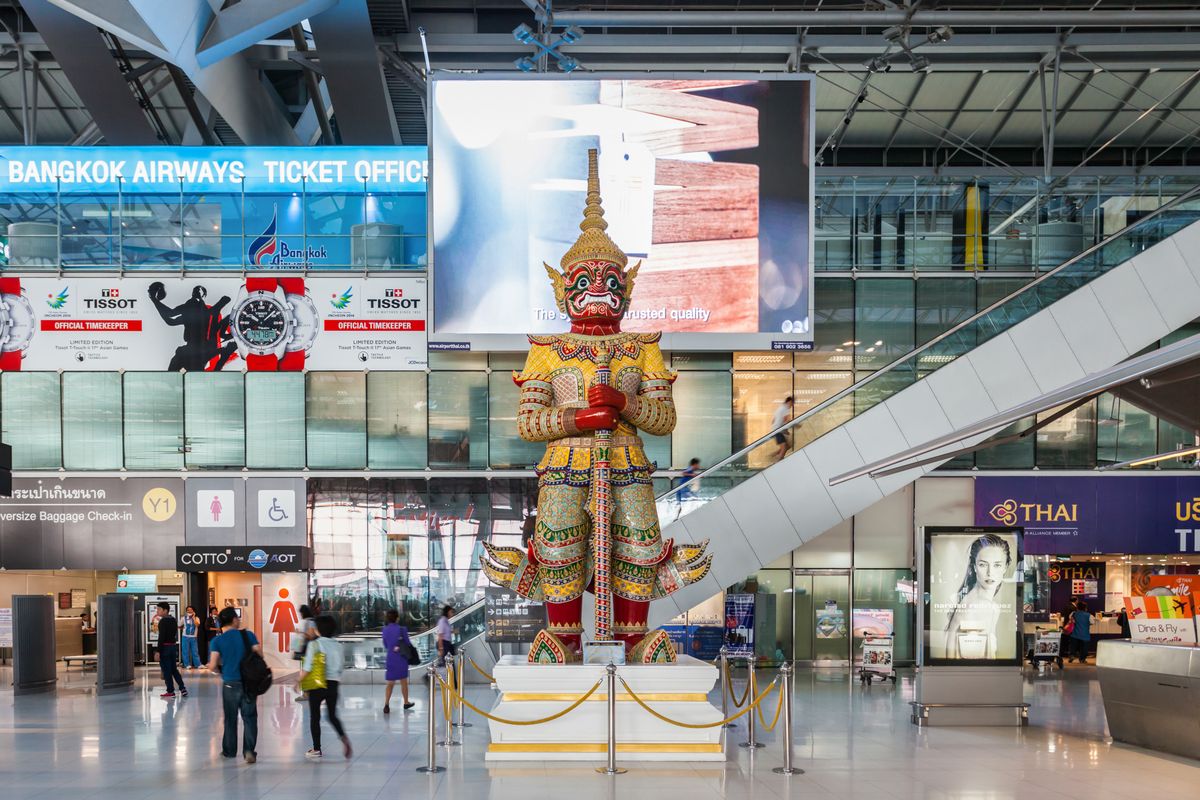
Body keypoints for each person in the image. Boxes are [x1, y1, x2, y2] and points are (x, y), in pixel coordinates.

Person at [944, 534, 1012, 660]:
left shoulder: (975, 601)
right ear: (974, 567)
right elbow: (985, 660)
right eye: (983, 564)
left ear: (1005, 567)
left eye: (997, 565)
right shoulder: (983, 606)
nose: (990, 572)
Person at [207, 607, 261, 764]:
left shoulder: (217, 641)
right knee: (250, 718)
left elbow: (212, 665)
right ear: (234, 620)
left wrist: (220, 671)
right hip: (249, 683)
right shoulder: (248, 635)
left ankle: (229, 751)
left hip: (230, 683)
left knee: (230, 719)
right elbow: (260, 654)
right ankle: (249, 751)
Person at [300, 615, 351, 760]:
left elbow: (308, 666)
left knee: (315, 716)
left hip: (317, 684)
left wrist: (298, 680)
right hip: (333, 684)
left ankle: (316, 749)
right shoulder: (338, 645)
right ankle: (343, 738)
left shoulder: (314, 645)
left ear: (318, 630)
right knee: (332, 715)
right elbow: (341, 666)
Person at [381, 610, 415, 713]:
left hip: (391, 658)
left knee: (390, 683)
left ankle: (386, 704)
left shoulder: (384, 630)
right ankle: (405, 702)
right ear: (397, 618)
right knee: (403, 682)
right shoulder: (402, 629)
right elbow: (408, 643)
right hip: (401, 658)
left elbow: (386, 645)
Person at [155, 602, 187, 698]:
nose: (157, 611)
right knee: (174, 669)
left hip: (165, 648)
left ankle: (170, 691)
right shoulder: (173, 620)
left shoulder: (162, 621)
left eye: (159, 609)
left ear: (165, 610)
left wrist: (158, 651)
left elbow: (161, 637)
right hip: (173, 647)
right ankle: (182, 688)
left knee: (166, 670)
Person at [181, 606, 202, 670]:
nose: (189, 611)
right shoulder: (183, 618)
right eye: (188, 610)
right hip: (185, 637)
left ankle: (198, 664)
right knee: (185, 651)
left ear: (193, 611)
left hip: (193, 637)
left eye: (191, 610)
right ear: (186, 611)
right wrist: (183, 629)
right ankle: (186, 664)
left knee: (195, 651)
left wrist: (193, 618)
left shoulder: (197, 618)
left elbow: (197, 625)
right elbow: (179, 625)